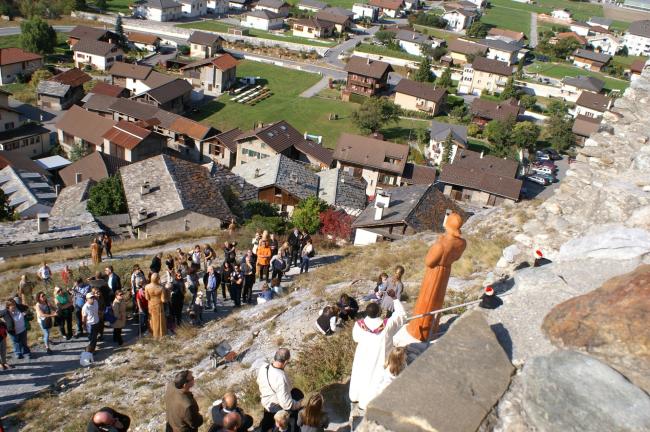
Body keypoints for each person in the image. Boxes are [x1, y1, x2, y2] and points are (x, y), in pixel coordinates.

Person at [349, 300, 406, 410]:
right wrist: (395, 299)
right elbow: (401, 315)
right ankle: (369, 401)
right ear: (379, 312)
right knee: (375, 378)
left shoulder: (359, 325)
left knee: (361, 375)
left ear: (366, 312)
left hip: (363, 356)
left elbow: (356, 338)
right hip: (380, 357)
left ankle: (356, 396)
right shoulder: (387, 324)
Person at [257, 348, 303, 432]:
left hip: (265, 402)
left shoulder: (264, 367)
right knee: (297, 398)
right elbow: (286, 404)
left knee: (266, 425)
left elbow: (258, 381)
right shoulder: (281, 377)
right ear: (286, 361)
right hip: (276, 407)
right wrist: (299, 404)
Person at [145, 273, 167, 339]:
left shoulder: (147, 287)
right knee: (159, 320)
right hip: (159, 305)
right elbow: (163, 300)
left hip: (151, 305)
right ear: (157, 279)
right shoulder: (161, 287)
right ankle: (160, 334)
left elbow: (147, 298)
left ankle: (153, 333)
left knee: (152, 319)